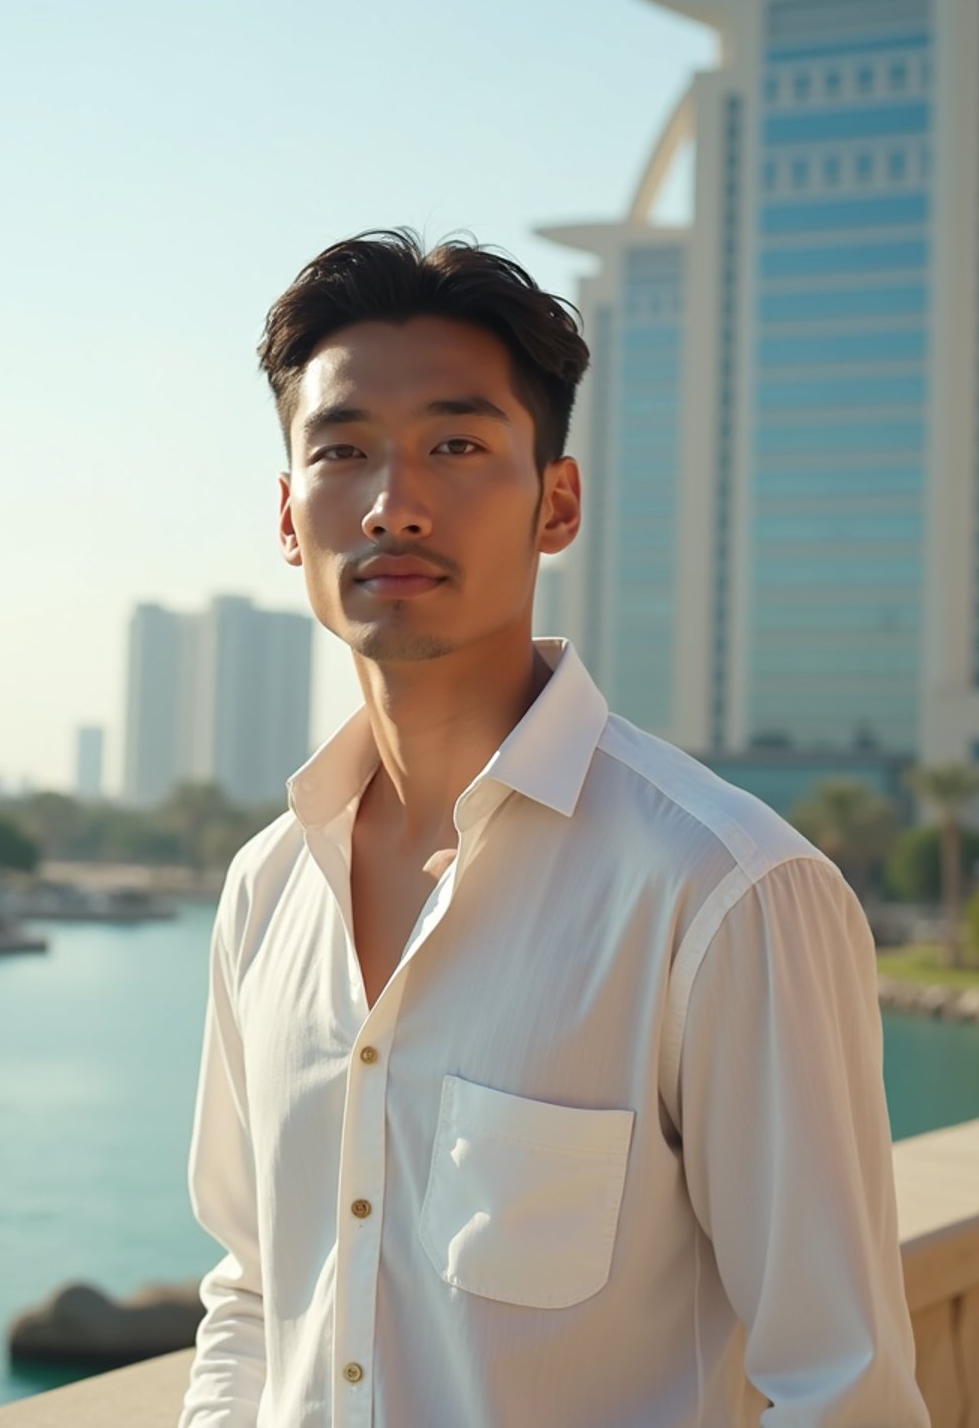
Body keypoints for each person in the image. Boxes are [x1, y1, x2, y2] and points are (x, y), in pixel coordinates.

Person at [178, 228, 928, 1428]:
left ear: (557, 503)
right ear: (287, 513)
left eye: (457, 445)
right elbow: (254, 1291)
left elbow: (839, 1388)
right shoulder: (270, 888)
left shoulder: (722, 892)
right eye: (343, 451)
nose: (393, 503)